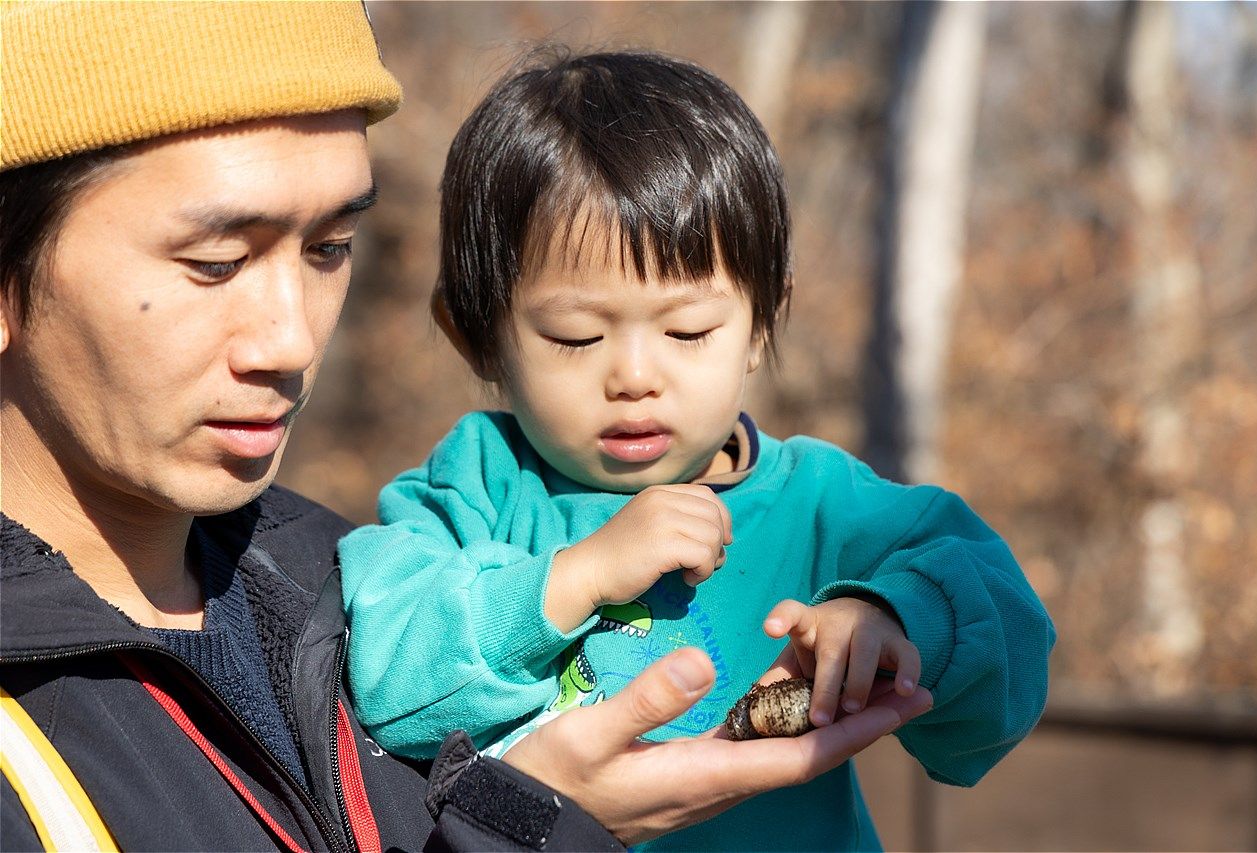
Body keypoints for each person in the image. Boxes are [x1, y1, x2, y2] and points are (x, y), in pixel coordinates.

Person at [0, 6, 935, 852]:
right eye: (214, 262)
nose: (291, 340)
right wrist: (539, 827)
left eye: (330, 248)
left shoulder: (334, 572)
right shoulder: (445, 543)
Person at [339, 50, 1056, 852]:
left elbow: (1006, 646)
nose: (637, 377)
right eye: (576, 336)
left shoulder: (819, 503)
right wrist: (580, 574)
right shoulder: (477, 486)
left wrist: (893, 615)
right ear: (476, 340)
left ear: (760, 326)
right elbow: (392, 678)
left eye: (688, 331)